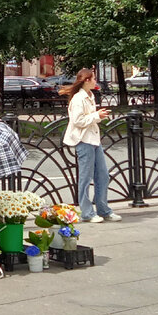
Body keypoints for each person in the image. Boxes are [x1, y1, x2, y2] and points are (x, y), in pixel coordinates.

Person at [60, 67, 122, 224]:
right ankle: (87, 213)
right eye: (93, 78)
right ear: (86, 80)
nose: (96, 81)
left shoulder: (90, 95)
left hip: (94, 140)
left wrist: (97, 115)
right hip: (83, 141)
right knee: (85, 178)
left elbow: (88, 118)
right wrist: (96, 115)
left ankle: (103, 210)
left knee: (103, 176)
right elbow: (78, 121)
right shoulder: (78, 99)